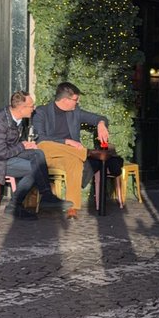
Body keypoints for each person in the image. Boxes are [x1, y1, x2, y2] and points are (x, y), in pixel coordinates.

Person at [0, 90, 73, 219]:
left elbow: (7, 144)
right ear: (21, 108)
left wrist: (25, 145)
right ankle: (13, 207)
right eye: (31, 106)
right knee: (34, 170)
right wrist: (22, 146)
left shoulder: (15, 118)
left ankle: (46, 196)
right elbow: (0, 153)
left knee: (37, 154)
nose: (34, 109)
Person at [32, 82, 121, 218]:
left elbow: (99, 118)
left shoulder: (75, 112)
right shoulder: (41, 112)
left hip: (68, 156)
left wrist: (101, 124)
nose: (77, 102)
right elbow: (40, 138)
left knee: (74, 161)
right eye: (75, 99)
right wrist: (67, 141)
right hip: (48, 155)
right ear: (65, 100)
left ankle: (72, 208)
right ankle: (87, 153)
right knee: (44, 144)